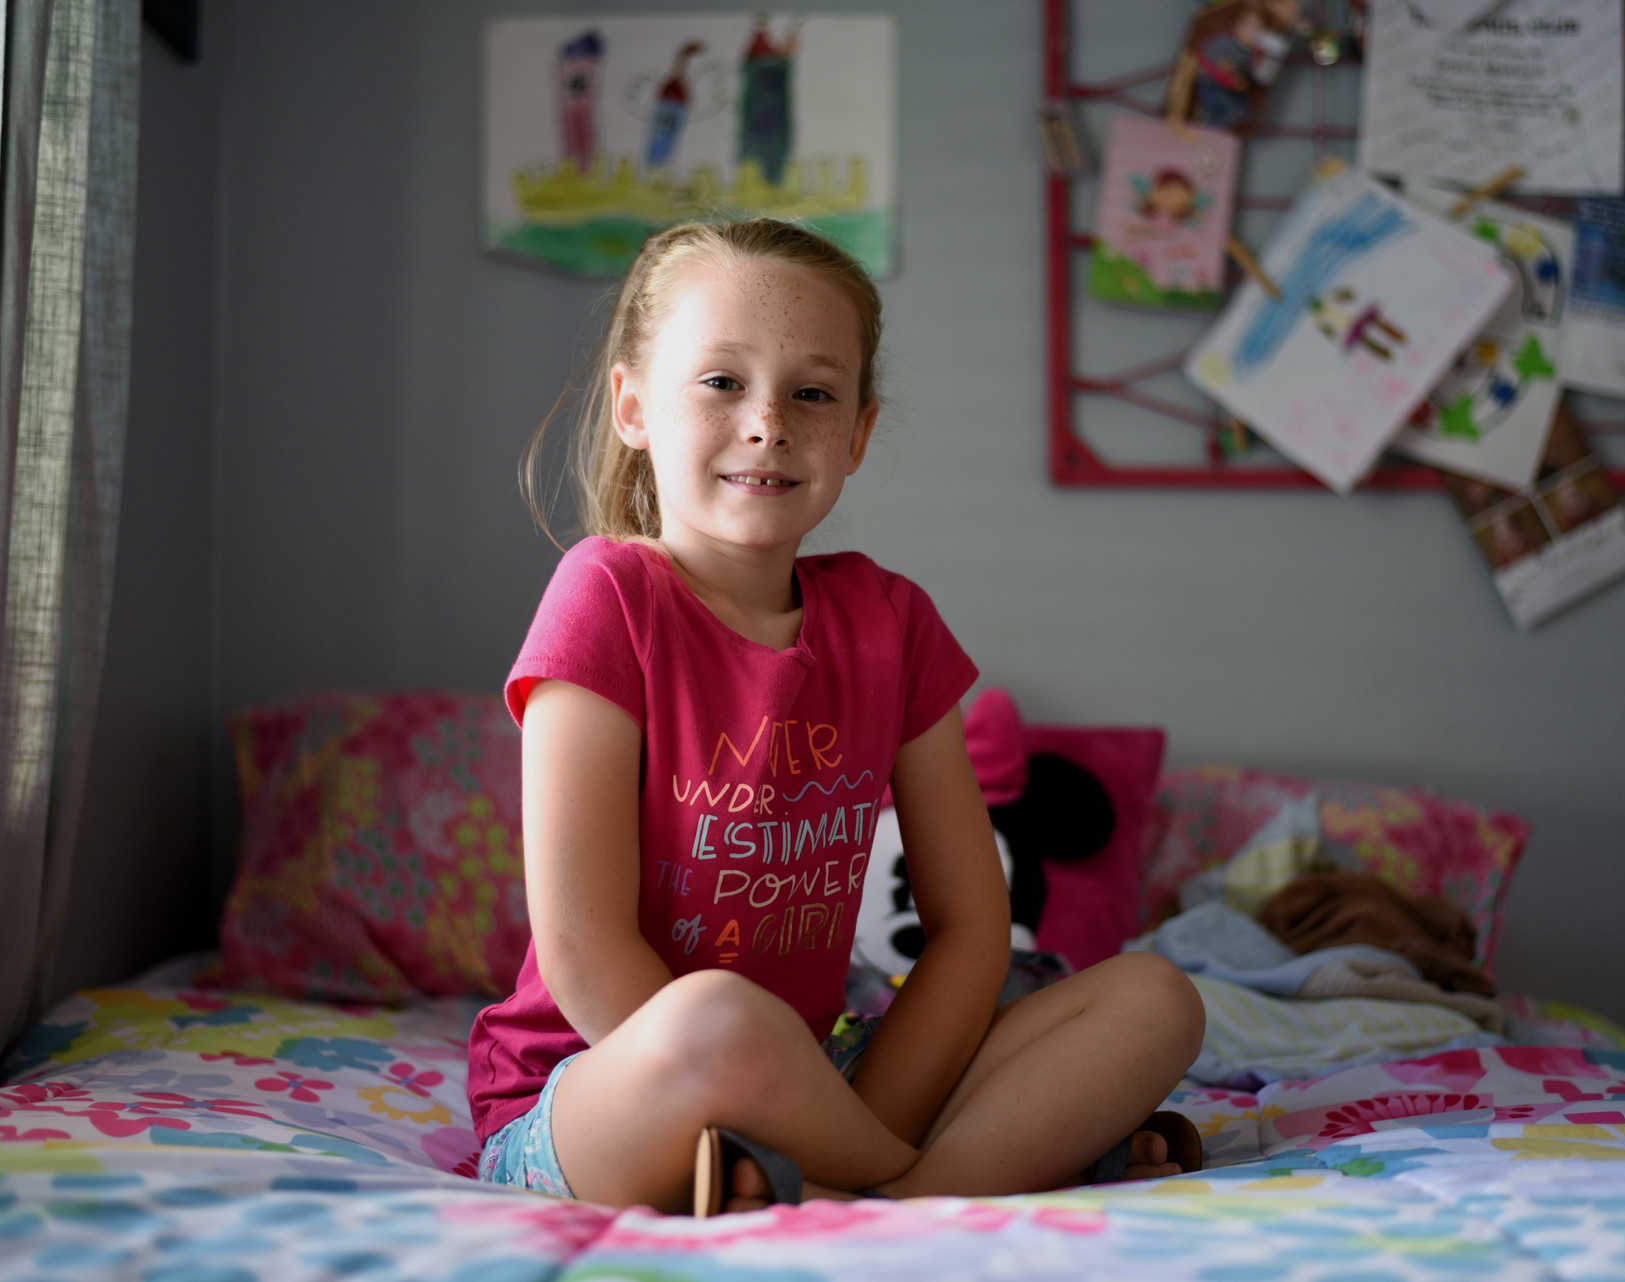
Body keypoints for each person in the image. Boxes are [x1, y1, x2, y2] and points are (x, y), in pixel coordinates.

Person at [468, 218, 1205, 1217]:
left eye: (812, 393)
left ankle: (831, 1185)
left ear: (857, 430)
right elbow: (586, 955)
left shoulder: (891, 623)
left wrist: (876, 1108)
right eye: (722, 382)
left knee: (1155, 999)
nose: (769, 421)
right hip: (601, 1085)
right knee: (718, 1019)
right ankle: (906, 1182)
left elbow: (969, 928)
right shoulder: (605, 596)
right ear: (633, 404)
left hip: (820, 1072)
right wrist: (860, 1133)